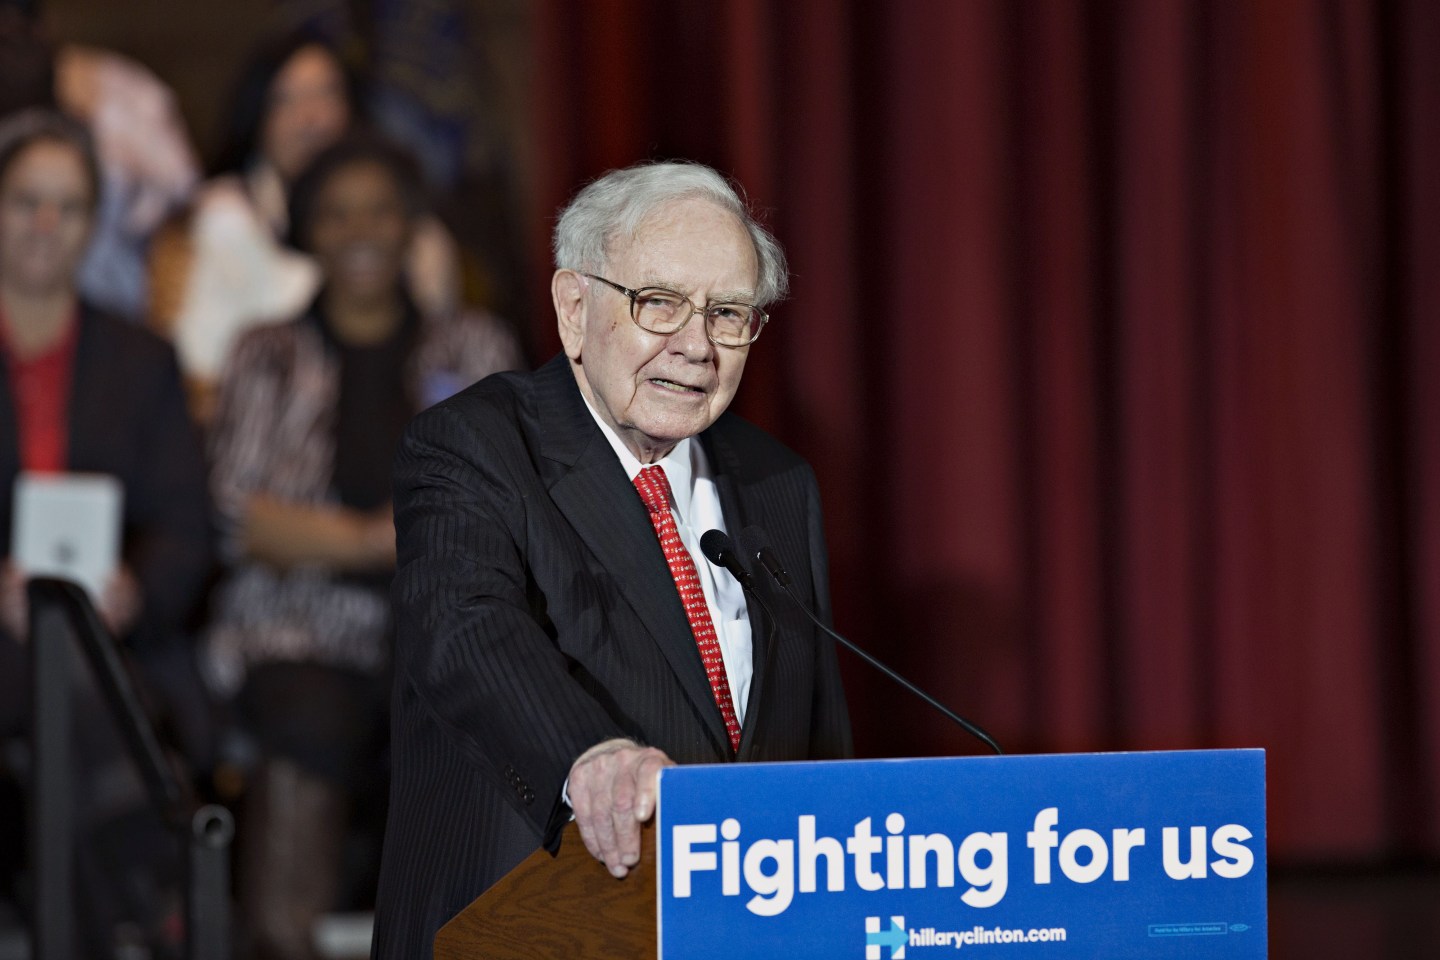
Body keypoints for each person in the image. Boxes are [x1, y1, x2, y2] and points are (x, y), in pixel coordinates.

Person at [371, 161, 852, 958]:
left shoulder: (777, 484)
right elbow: (467, 628)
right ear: (574, 308)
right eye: (659, 302)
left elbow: (813, 740)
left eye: (728, 313)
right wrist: (590, 755)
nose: (696, 346)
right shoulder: (475, 445)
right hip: (526, 927)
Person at [200, 133, 521, 960]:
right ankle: (280, 946)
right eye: (337, 215)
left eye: (379, 211)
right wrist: (382, 538)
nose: (360, 232)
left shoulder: (474, 348)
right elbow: (240, 517)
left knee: (489, 717)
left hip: (447, 624)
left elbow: (501, 505)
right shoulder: (265, 352)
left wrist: (331, 538)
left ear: (410, 223)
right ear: (309, 231)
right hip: (299, 625)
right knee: (306, 714)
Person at [0, 108, 212, 956]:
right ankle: (154, 881)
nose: (46, 224)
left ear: (94, 222)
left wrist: (134, 590)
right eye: (27, 201)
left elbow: (188, 526)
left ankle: (108, 913)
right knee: (64, 675)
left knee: (71, 666)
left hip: (119, 639)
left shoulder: (141, 358)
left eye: (70, 205)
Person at [154, 30, 461, 420]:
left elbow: (445, 360)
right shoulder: (224, 215)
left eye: (326, 95)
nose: (310, 119)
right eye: (287, 99)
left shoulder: (416, 234)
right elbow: (197, 374)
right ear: (259, 115)